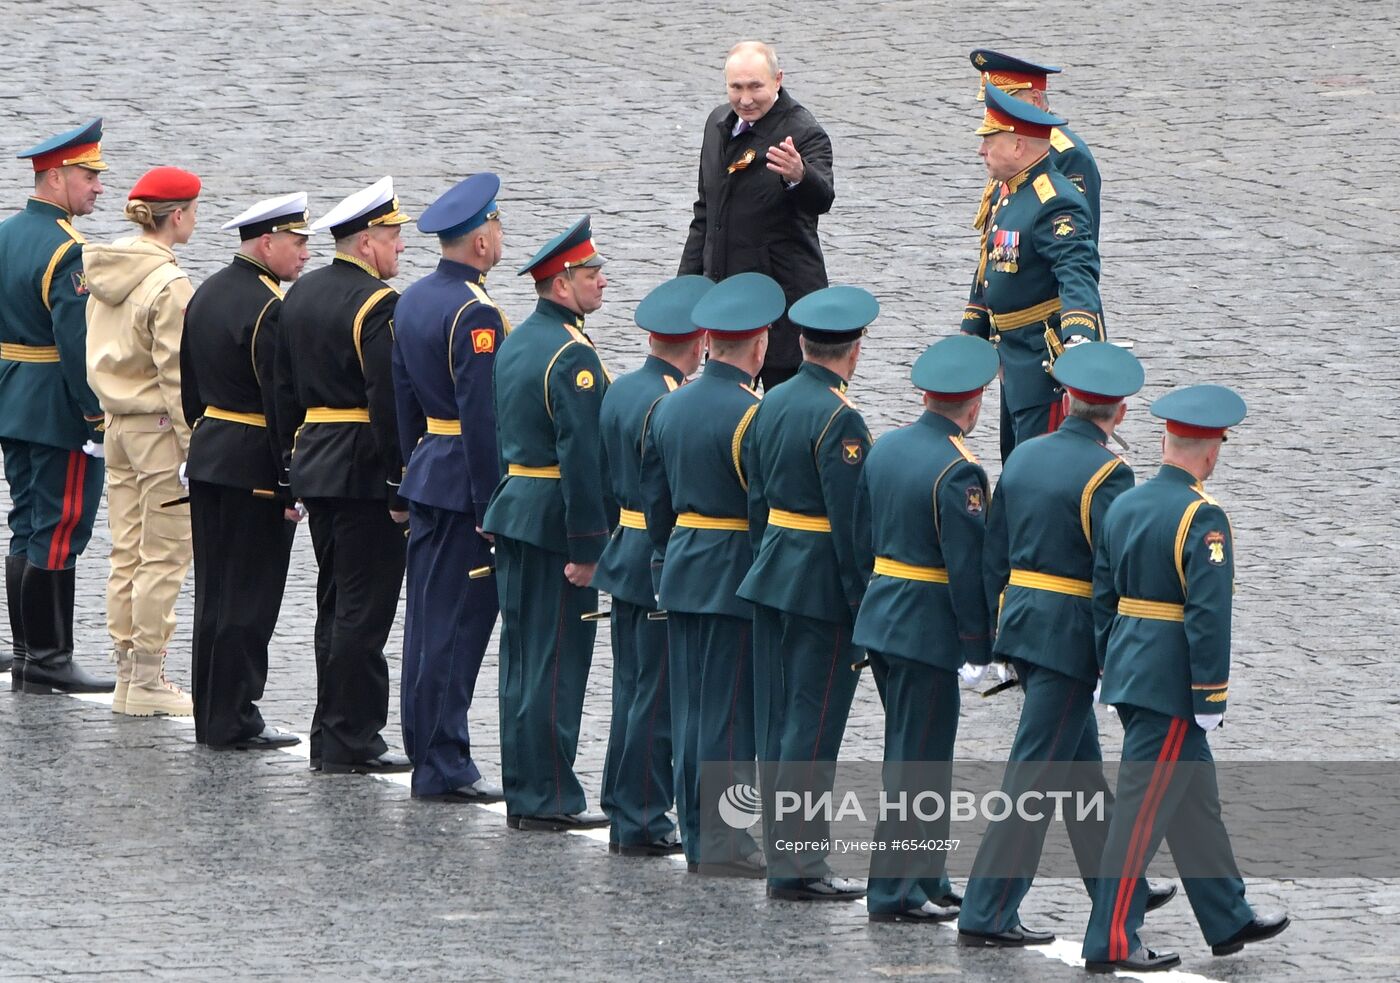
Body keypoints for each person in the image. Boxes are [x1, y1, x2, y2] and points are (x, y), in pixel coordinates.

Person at [958, 342, 1175, 947]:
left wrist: (993, 634)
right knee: (1033, 778)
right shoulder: (1112, 473)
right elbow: (1114, 571)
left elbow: (992, 554)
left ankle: (1118, 885)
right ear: (1121, 413)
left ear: (1067, 401)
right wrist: (1114, 653)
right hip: (1070, 637)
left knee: (1079, 773)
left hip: (1024, 626)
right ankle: (988, 909)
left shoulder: (1024, 457)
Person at [1081, 385, 1288, 972]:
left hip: (1130, 671)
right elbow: (1207, 616)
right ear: (1212, 449)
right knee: (1140, 817)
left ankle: (1226, 916)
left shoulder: (1125, 504)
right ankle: (1112, 940)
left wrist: (1105, 664)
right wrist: (1209, 696)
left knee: (1195, 801)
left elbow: (1104, 595)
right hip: (1171, 685)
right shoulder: (1204, 516)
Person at [853, 334, 998, 924]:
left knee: (918, 752)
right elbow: (967, 570)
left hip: (883, 618)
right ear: (974, 403)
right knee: (917, 761)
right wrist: (976, 645)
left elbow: (864, 534)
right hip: (926, 630)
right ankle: (893, 892)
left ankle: (928, 875)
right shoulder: (960, 471)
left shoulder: (885, 447)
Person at [737, 284, 875, 903]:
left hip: (771, 574)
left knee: (778, 722)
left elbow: (757, 497)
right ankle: (799, 864)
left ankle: (783, 852)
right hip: (820, 587)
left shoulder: (770, 401)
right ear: (855, 348)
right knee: (814, 729)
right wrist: (862, 603)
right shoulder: (840, 418)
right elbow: (851, 528)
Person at [638, 271, 776, 875]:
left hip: (685, 566)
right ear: (759, 345)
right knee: (727, 715)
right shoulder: (753, 415)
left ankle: (696, 830)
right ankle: (723, 841)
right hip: (732, 573)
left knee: (693, 709)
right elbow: (762, 509)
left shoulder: (668, 405)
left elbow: (655, 502)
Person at [274, 176, 411, 775]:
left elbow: (280, 390)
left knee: (333, 601)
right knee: (364, 608)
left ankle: (329, 728)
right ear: (365, 242)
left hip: (314, 460)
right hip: (362, 467)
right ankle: (352, 735)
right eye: (393, 236)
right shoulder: (379, 304)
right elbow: (388, 400)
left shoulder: (298, 294)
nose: (400, 248)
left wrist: (289, 465)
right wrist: (398, 477)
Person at [482, 216, 611, 830]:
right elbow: (582, 457)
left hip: (514, 511)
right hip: (553, 522)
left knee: (521, 660)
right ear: (562, 284)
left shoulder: (519, 340)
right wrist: (590, 546)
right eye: (591, 274)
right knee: (555, 663)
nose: (602, 282)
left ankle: (524, 786)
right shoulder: (572, 354)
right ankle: (549, 796)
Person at [392, 173, 508, 803]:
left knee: (425, 622)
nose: (500, 234)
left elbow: (403, 396)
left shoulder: (413, 299)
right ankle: (444, 761)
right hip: (465, 483)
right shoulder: (476, 311)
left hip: (428, 472)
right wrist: (494, 501)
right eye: (496, 226)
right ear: (480, 243)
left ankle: (426, 747)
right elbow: (482, 414)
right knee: (457, 628)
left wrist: (410, 467)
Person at [182, 191, 311, 748]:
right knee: (250, 597)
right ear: (267, 242)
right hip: (254, 462)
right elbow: (280, 399)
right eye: (298, 242)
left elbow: (189, 385)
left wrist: (207, 439)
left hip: (210, 451)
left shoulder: (207, 289)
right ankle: (235, 717)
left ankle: (211, 710)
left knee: (213, 593)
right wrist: (290, 478)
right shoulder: (270, 307)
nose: (305, 254)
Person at [595, 275, 710, 857]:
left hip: (623, 550)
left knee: (631, 690)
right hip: (653, 557)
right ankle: (641, 816)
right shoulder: (669, 400)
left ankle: (623, 803)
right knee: (656, 699)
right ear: (699, 342)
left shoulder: (620, 388)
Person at [0, 118, 112, 694]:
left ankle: (26, 652)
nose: (98, 187)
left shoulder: (5, 234)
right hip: (56, 408)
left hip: (10, 399)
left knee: (27, 523)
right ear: (57, 176)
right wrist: (95, 414)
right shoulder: (69, 250)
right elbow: (79, 344)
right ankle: (48, 658)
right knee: (62, 526)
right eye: (89, 176)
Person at [84, 166, 201, 717]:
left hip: (116, 425)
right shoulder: (169, 283)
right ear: (177, 216)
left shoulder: (107, 272)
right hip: (156, 429)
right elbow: (177, 374)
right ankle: (150, 677)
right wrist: (192, 444)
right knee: (165, 554)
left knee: (125, 550)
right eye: (193, 211)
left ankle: (126, 674)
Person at [678, 40, 834, 391]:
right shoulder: (717, 123)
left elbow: (822, 197)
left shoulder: (804, 132)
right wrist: (686, 292)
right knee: (726, 413)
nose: (745, 99)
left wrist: (799, 175)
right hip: (726, 305)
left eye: (755, 87)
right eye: (736, 87)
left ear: (777, 80)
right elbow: (705, 215)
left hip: (782, 310)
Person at [960, 83, 1104, 462]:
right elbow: (989, 267)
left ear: (1019, 147)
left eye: (990, 140)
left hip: (1044, 368)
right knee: (1015, 461)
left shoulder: (1054, 202)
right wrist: (970, 331)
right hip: (1013, 359)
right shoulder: (1009, 191)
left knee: (1039, 470)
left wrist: (1078, 345)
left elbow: (1077, 273)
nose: (981, 150)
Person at [969, 49, 1101, 238]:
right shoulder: (1007, 142)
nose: (994, 113)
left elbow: (1076, 237)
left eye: (1006, 104)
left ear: (1035, 100)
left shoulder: (1068, 155)